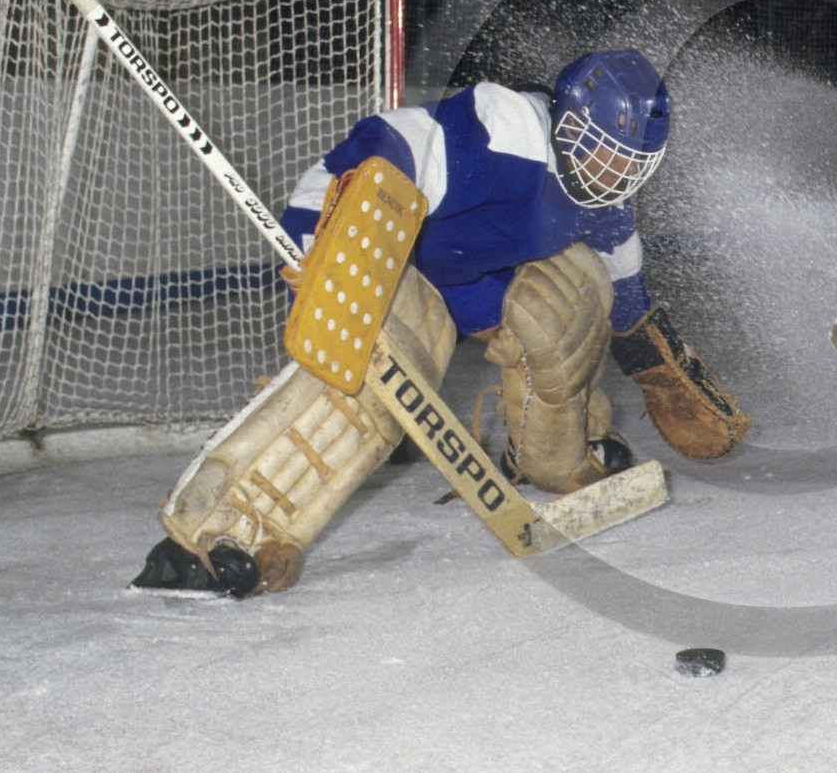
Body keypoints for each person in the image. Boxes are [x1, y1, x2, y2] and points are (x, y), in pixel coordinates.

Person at [130, 50, 752, 595]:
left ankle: (555, 457)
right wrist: (342, 244)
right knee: (369, 385)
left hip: (467, 274)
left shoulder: (607, 202)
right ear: (568, 120)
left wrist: (656, 367)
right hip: (364, 237)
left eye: (629, 164)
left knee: (574, 293)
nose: (613, 176)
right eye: (604, 154)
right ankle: (218, 533)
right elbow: (394, 144)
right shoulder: (506, 128)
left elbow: (627, 295)